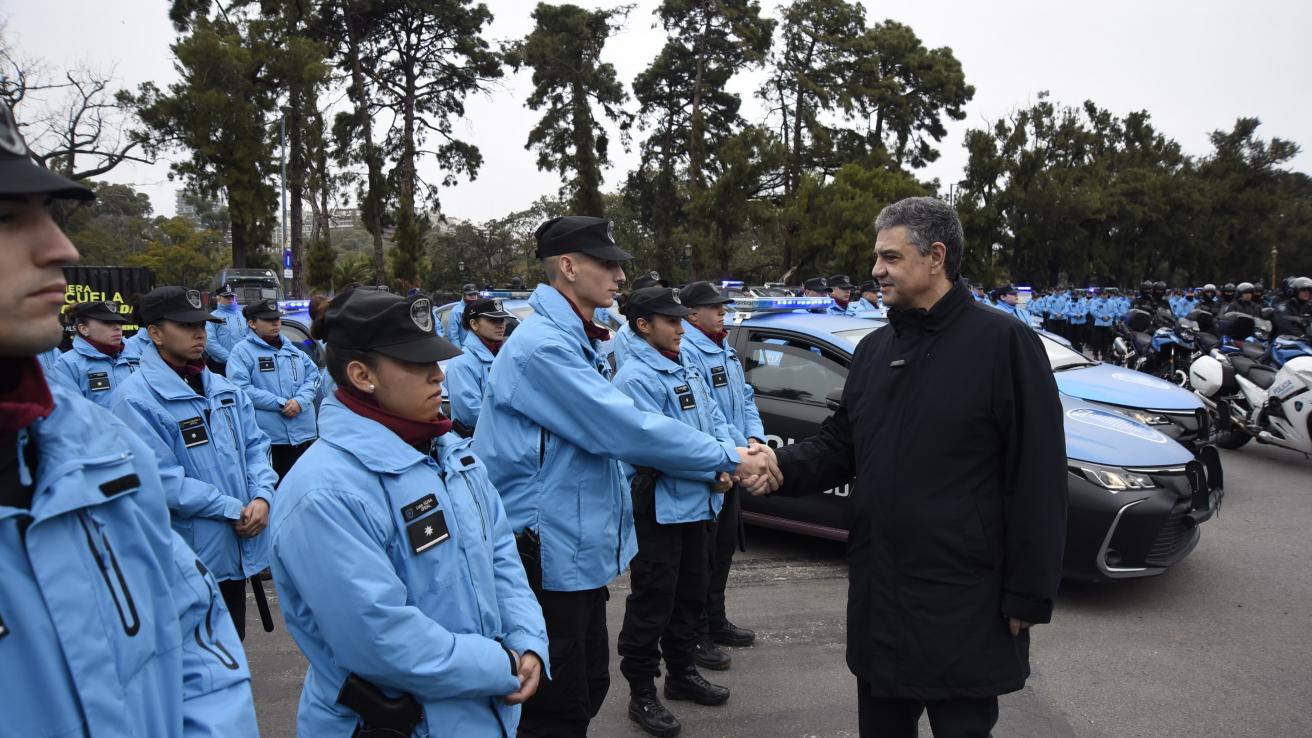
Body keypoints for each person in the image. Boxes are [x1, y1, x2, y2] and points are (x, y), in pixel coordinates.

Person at [760, 196, 1067, 737]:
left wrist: (1029, 594)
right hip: (882, 598)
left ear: (936, 257)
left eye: (890, 257)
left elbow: (1037, 477)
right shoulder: (876, 350)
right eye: (877, 258)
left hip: (964, 603)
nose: (876, 270)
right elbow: (840, 445)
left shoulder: (1003, 343)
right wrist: (776, 466)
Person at [0, 100, 259, 735]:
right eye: (7, 218)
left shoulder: (94, 443)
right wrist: (231, 507)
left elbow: (196, 643)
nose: (60, 246)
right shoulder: (126, 407)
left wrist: (259, 495)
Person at [473, 215, 780, 737]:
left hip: (575, 553)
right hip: (544, 553)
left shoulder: (578, 338)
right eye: (608, 265)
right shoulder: (544, 347)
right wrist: (729, 458)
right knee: (556, 705)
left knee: (586, 686)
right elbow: (625, 427)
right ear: (568, 267)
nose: (619, 277)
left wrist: (731, 449)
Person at [270, 288, 547, 736]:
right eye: (418, 365)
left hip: (480, 707)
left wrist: (528, 640)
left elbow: (501, 558)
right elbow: (380, 638)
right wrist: (502, 664)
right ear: (363, 375)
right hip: (397, 724)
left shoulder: (451, 453)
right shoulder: (324, 491)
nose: (438, 375)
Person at [113, 286, 279, 640]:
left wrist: (263, 497)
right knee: (195, 660)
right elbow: (161, 479)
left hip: (233, 550)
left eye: (202, 324)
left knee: (231, 646)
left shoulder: (223, 388)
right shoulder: (135, 399)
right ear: (155, 333)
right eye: (186, 326)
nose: (199, 333)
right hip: (187, 557)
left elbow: (256, 447)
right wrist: (234, 508)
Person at [613, 287, 740, 737]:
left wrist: (727, 455)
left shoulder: (684, 363)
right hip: (661, 508)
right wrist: (717, 468)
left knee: (692, 592)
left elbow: (716, 418)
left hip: (700, 503)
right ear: (643, 325)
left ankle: (682, 674)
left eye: (681, 319)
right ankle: (642, 691)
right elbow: (656, 445)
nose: (680, 328)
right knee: (654, 600)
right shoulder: (634, 378)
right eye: (670, 321)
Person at [679, 281, 766, 672]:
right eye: (715, 308)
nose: (723, 313)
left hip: (733, 458)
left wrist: (753, 437)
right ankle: (696, 634)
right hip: (714, 466)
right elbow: (704, 413)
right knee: (702, 558)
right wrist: (731, 458)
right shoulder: (687, 351)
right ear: (692, 314)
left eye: (723, 307)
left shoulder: (725, 348)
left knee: (724, 549)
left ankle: (715, 619)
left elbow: (744, 398)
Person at [226, 298, 321, 479]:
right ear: (252, 323)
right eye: (268, 320)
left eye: (277, 319)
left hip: (304, 434)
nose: (275, 323)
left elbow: (314, 376)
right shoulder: (241, 352)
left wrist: (300, 401)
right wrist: (281, 403)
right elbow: (240, 388)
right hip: (270, 438)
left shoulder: (293, 350)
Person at [49, 299, 136, 408]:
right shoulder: (67, 365)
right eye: (107, 322)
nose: (118, 327)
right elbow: (72, 412)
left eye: (119, 322)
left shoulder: (136, 356)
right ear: (84, 329)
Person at [447, 296, 514, 435]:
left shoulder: (506, 354)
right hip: (477, 444)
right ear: (474, 324)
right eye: (492, 320)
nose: (500, 325)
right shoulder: (461, 363)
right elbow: (472, 414)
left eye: (502, 319)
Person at [612, 270, 666, 369]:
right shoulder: (625, 333)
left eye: (662, 291)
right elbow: (627, 376)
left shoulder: (671, 325)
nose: (661, 296)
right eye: (654, 293)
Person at [204, 284, 246, 375]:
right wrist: (229, 358)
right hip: (220, 365)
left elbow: (249, 337)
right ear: (219, 298)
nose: (230, 299)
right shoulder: (212, 317)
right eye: (226, 297)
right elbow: (209, 342)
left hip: (242, 363)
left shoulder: (243, 316)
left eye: (232, 296)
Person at [445, 282, 482, 347]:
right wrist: (460, 353)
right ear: (464, 295)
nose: (473, 297)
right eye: (470, 295)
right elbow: (453, 336)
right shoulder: (456, 311)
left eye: (475, 294)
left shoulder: (479, 308)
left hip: (480, 349)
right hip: (465, 350)